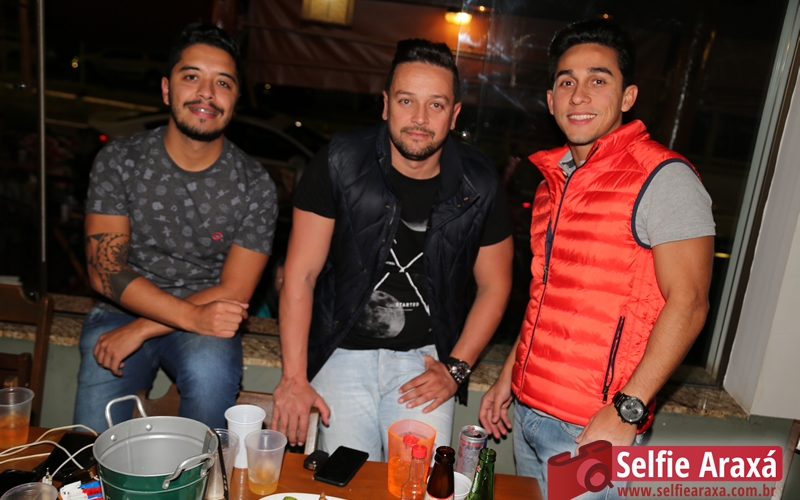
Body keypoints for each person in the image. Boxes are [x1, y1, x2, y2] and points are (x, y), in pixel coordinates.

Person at [478, 19, 715, 498]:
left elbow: (689, 303)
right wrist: (510, 378)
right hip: (528, 414)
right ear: (551, 101)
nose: (579, 95)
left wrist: (628, 410)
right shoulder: (551, 185)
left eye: (598, 80)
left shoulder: (664, 177)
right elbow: (547, 298)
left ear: (628, 97)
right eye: (567, 82)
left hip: (593, 429)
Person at [271, 39, 514, 459]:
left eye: (436, 105)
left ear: (455, 114)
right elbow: (300, 274)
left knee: (417, 483)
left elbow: (495, 285)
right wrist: (294, 378)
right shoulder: (340, 161)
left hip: (425, 362)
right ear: (386, 105)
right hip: (341, 352)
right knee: (348, 480)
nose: (420, 118)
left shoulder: (480, 182)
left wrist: (456, 369)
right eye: (406, 101)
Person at [75, 23, 278, 431]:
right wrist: (182, 317)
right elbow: (105, 270)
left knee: (210, 379)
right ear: (167, 89)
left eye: (223, 83)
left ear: (236, 99)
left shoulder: (255, 185)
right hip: (121, 312)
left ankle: (200, 472)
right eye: (192, 77)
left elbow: (235, 292)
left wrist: (143, 330)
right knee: (88, 444)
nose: (207, 93)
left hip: (207, 318)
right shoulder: (121, 160)